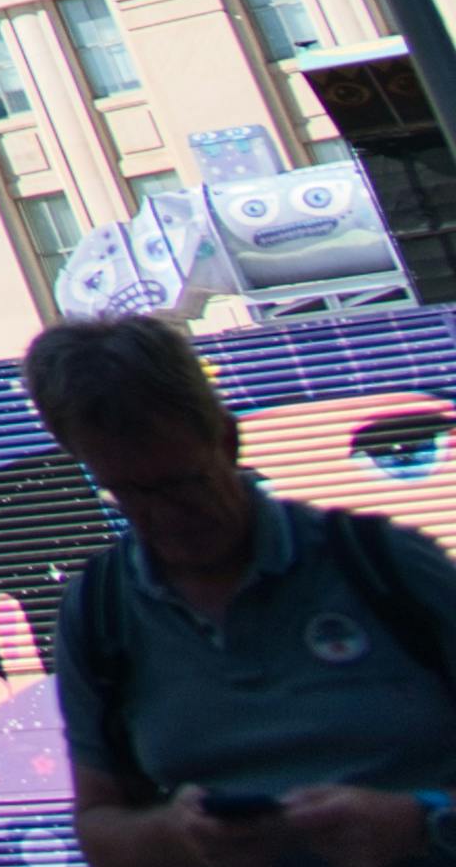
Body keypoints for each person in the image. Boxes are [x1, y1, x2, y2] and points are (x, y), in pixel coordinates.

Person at [32, 310, 456, 865]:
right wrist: (174, 833)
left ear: (228, 440)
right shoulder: (100, 611)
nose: (167, 516)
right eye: (130, 494)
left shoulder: (383, 566)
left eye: (184, 483)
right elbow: (99, 828)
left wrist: (421, 822)